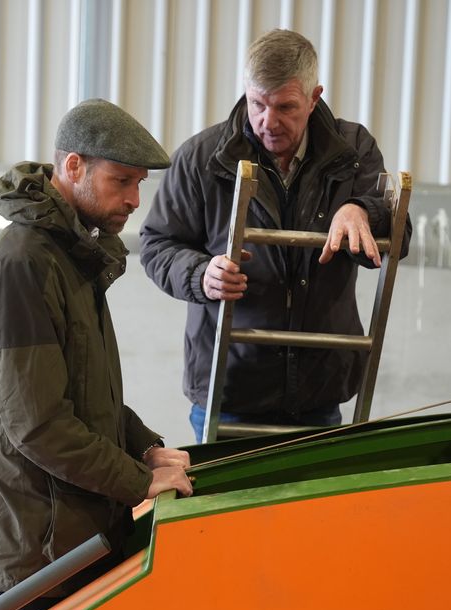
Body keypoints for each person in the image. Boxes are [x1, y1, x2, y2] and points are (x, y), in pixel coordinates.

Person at [0, 99, 193, 610]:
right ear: (75, 166)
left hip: (71, 534)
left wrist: (145, 446)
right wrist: (139, 482)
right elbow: (38, 424)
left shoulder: (71, 255)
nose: (134, 199)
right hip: (37, 549)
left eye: (140, 184)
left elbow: (85, 393)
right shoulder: (24, 265)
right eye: (122, 181)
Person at [139, 29, 412, 442]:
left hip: (318, 388)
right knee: (227, 507)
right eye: (257, 104)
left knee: (312, 507)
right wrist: (200, 274)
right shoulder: (201, 157)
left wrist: (363, 210)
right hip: (228, 388)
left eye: (286, 107)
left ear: (314, 97)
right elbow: (157, 243)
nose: (269, 122)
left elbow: (400, 233)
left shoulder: (353, 151)